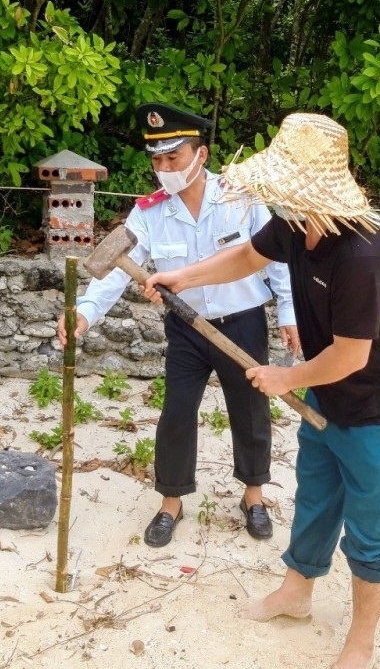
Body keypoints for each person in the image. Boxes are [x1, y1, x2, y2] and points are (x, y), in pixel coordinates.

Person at [143, 113, 380, 669]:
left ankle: (360, 643)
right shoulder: (297, 224)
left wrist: (285, 377)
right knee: (316, 499)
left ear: (310, 187)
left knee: (372, 527)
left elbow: (352, 355)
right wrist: (184, 277)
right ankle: (296, 594)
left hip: (374, 407)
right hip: (326, 393)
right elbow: (248, 256)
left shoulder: (361, 253)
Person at [57, 102, 300, 547]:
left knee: (249, 410)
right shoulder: (149, 213)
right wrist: (87, 312)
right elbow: (115, 266)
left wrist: (288, 313)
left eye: (174, 158)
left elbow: (275, 257)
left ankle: (254, 495)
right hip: (186, 330)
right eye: (157, 160)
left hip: (242, 322)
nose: (164, 168)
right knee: (176, 414)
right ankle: (171, 500)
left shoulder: (240, 197)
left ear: (201, 155)